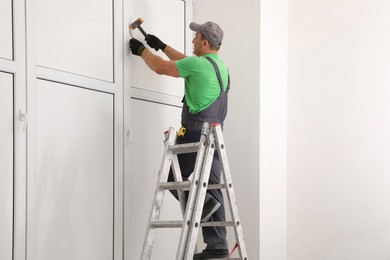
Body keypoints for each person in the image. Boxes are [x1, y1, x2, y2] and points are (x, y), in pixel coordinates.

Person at [129, 21, 230, 259]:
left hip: (197, 135)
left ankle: (203, 207)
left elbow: (161, 68)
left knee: (172, 177)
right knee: (213, 189)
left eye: (196, 38)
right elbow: (186, 61)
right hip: (216, 136)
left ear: (205, 43)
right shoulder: (219, 67)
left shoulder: (197, 64)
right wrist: (162, 45)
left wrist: (142, 50)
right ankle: (218, 246)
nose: (193, 41)